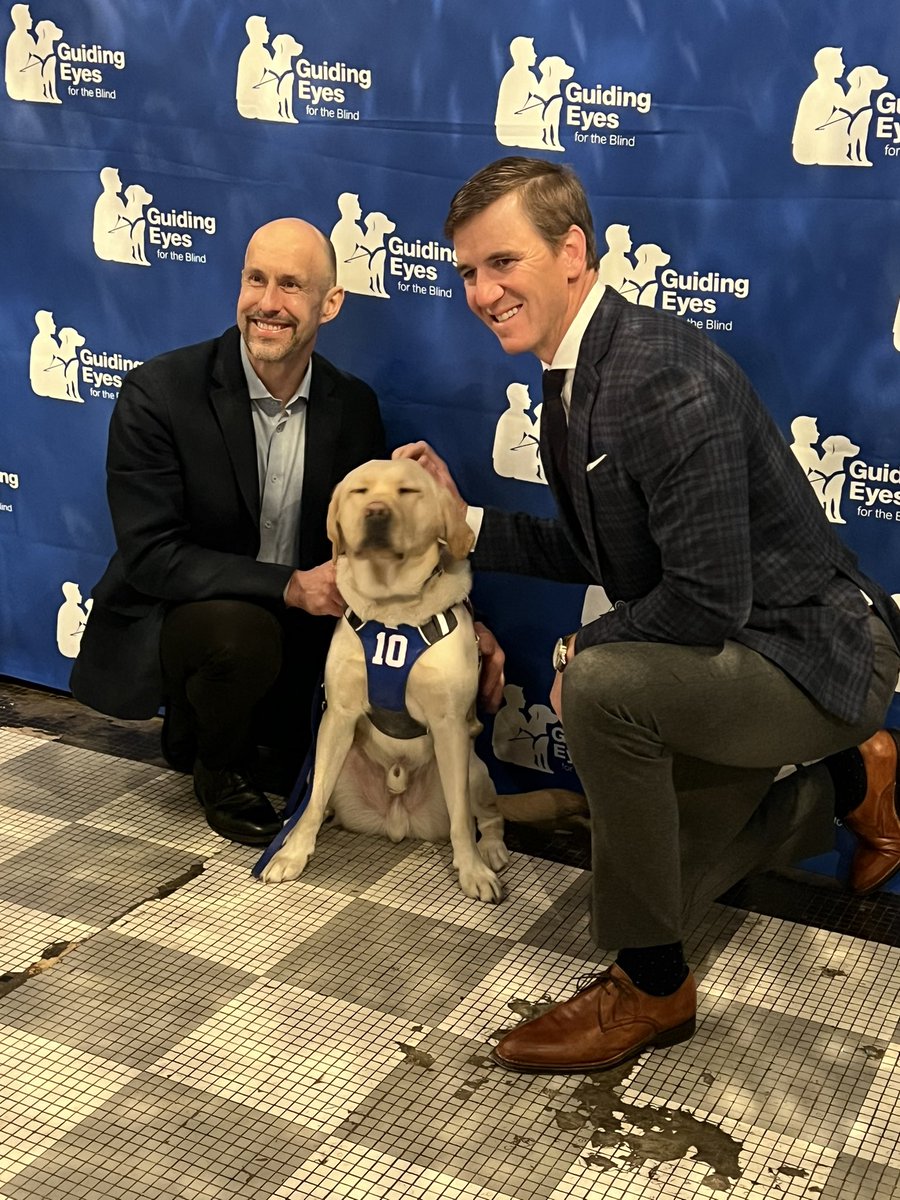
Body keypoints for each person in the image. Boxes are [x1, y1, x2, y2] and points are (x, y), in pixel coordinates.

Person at [394, 156, 900, 1074]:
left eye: (502, 262)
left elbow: (706, 598)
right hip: (740, 654)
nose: (481, 290)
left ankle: (655, 987)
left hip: (816, 653)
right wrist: (458, 523)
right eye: (467, 270)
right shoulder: (577, 369)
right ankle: (848, 784)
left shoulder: (659, 378)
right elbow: (611, 555)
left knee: (603, 684)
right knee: (672, 873)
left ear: (573, 251)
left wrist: (587, 643)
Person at [71, 218, 386, 847]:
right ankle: (215, 763)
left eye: (291, 286)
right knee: (241, 631)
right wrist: (290, 585)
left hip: (300, 635)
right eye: (256, 280)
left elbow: (365, 547)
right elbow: (152, 557)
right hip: (187, 619)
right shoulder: (159, 392)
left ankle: (244, 729)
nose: (267, 303)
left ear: (330, 304)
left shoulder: (353, 406)